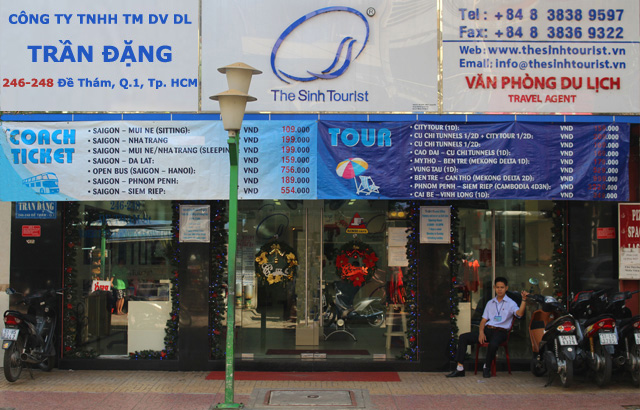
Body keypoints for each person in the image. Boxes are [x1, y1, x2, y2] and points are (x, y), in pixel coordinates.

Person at [446, 276, 528, 378]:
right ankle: (460, 368)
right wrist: (481, 332)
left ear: (506, 288)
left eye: (502, 287)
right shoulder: (490, 303)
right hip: (488, 330)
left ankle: (487, 367)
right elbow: (483, 321)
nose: (499, 289)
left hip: (501, 332)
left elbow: (519, 314)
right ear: (494, 288)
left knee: (493, 344)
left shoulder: (511, 303)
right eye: (497, 287)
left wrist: (524, 300)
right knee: (463, 337)